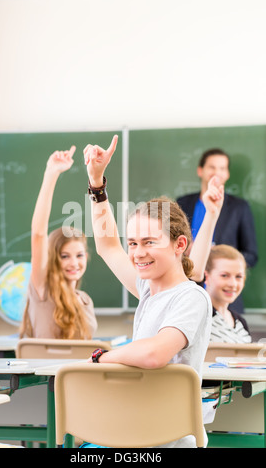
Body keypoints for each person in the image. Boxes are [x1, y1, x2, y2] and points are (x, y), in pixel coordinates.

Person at [83, 135, 223, 448]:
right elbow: (107, 244)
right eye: (133, 243)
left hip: (166, 438)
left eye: (149, 242)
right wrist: (96, 183)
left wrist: (101, 358)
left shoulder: (192, 297)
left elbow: (154, 354)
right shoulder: (147, 289)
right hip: (136, 429)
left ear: (179, 245)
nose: (137, 253)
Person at [20, 147, 97, 339]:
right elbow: (38, 234)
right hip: (47, 370)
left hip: (77, 370)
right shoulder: (42, 291)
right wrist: (51, 173)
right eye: (65, 256)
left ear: (86, 257)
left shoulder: (85, 301)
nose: (74, 263)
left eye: (79, 255)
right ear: (53, 258)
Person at [177, 148, 258, 313]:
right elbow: (170, 245)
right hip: (187, 292)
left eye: (222, 168)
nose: (217, 172)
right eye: (212, 167)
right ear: (200, 171)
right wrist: (186, 249)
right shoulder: (183, 203)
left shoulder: (239, 207)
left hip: (227, 300)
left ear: (227, 174)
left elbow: (251, 255)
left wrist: (221, 258)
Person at [204, 244, 251, 343]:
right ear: (207, 276)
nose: (232, 284)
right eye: (224, 275)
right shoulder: (200, 315)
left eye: (238, 276)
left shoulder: (241, 322)